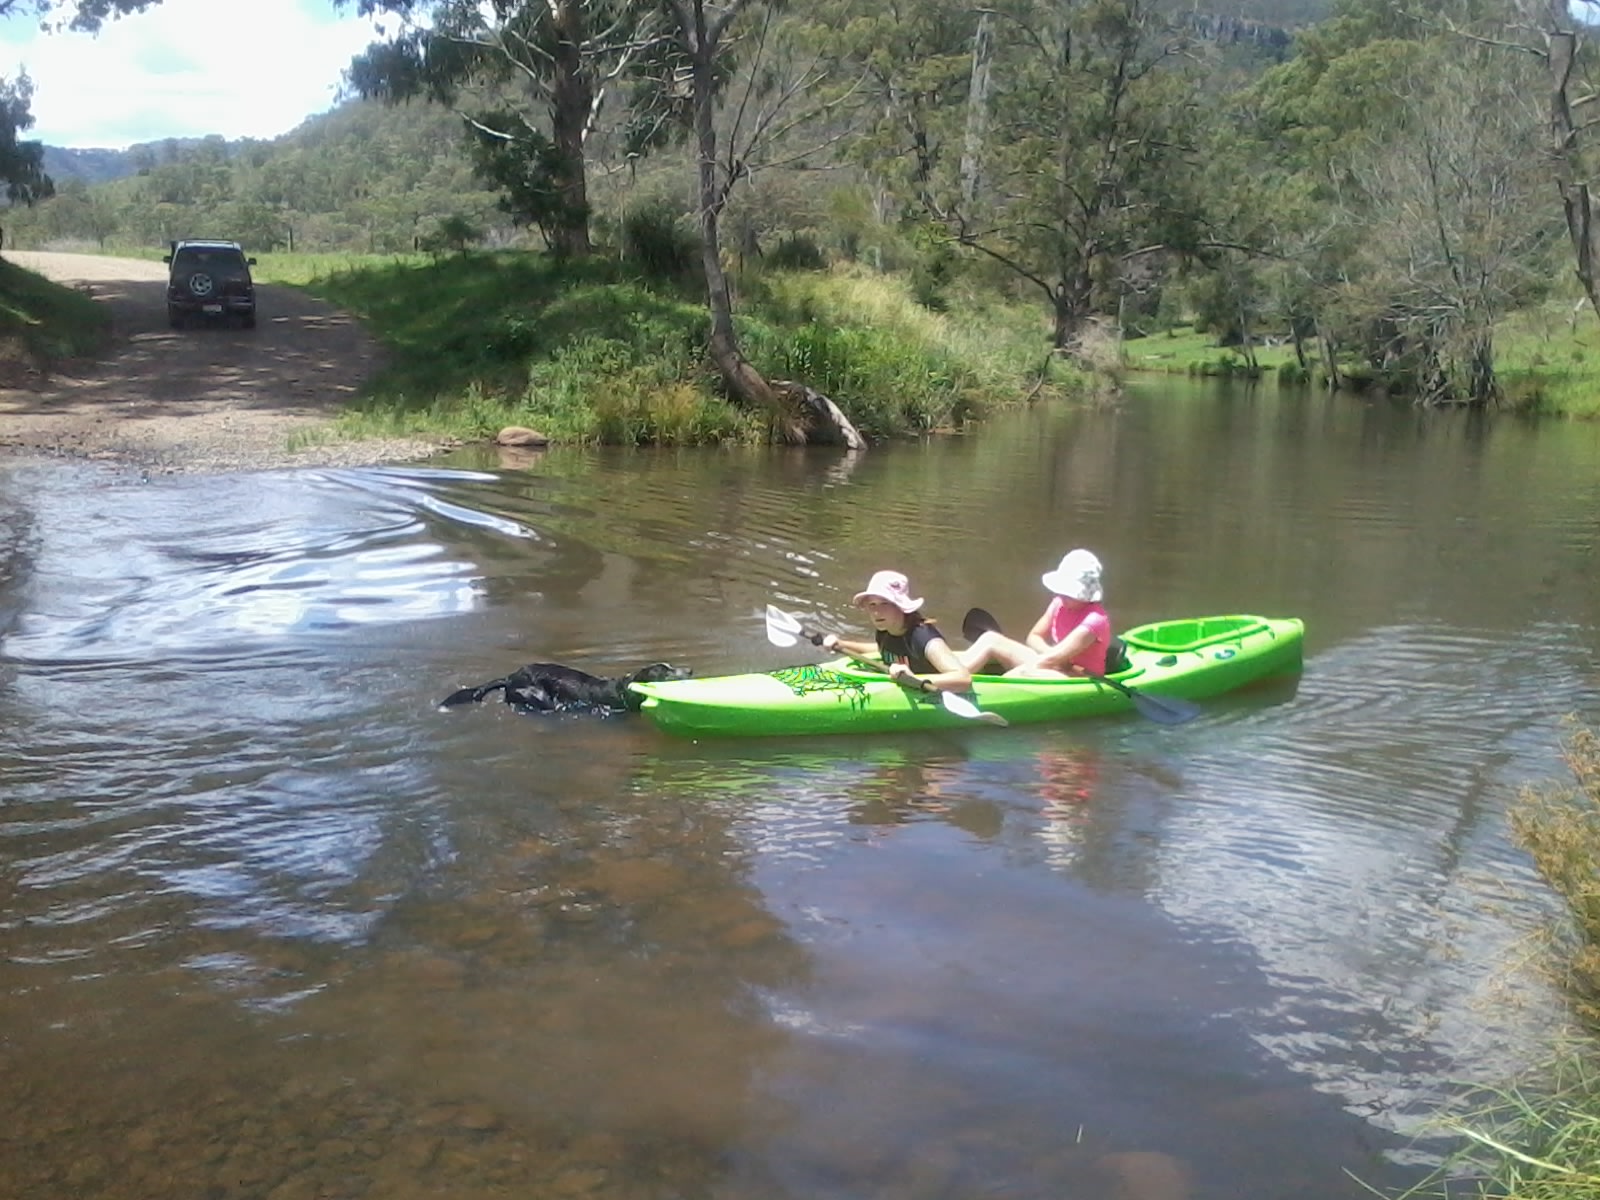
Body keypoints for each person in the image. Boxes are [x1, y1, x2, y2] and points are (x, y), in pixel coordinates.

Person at [958, 549, 1111, 678]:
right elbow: (1034, 637)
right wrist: (1051, 653)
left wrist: (1008, 677)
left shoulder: (1095, 620)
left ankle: (980, 690)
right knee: (991, 638)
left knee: (1026, 671)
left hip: (1079, 677)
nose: (1062, 596)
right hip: (1056, 664)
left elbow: (1051, 659)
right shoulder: (1059, 603)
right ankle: (954, 674)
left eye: (1069, 594)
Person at [820, 569, 972, 695]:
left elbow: (963, 679)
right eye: (872, 604)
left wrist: (913, 679)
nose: (876, 612)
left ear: (900, 606)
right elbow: (881, 649)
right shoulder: (886, 629)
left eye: (885, 603)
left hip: (941, 683)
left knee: (984, 649)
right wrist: (841, 644)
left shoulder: (924, 637)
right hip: (914, 677)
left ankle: (991, 644)